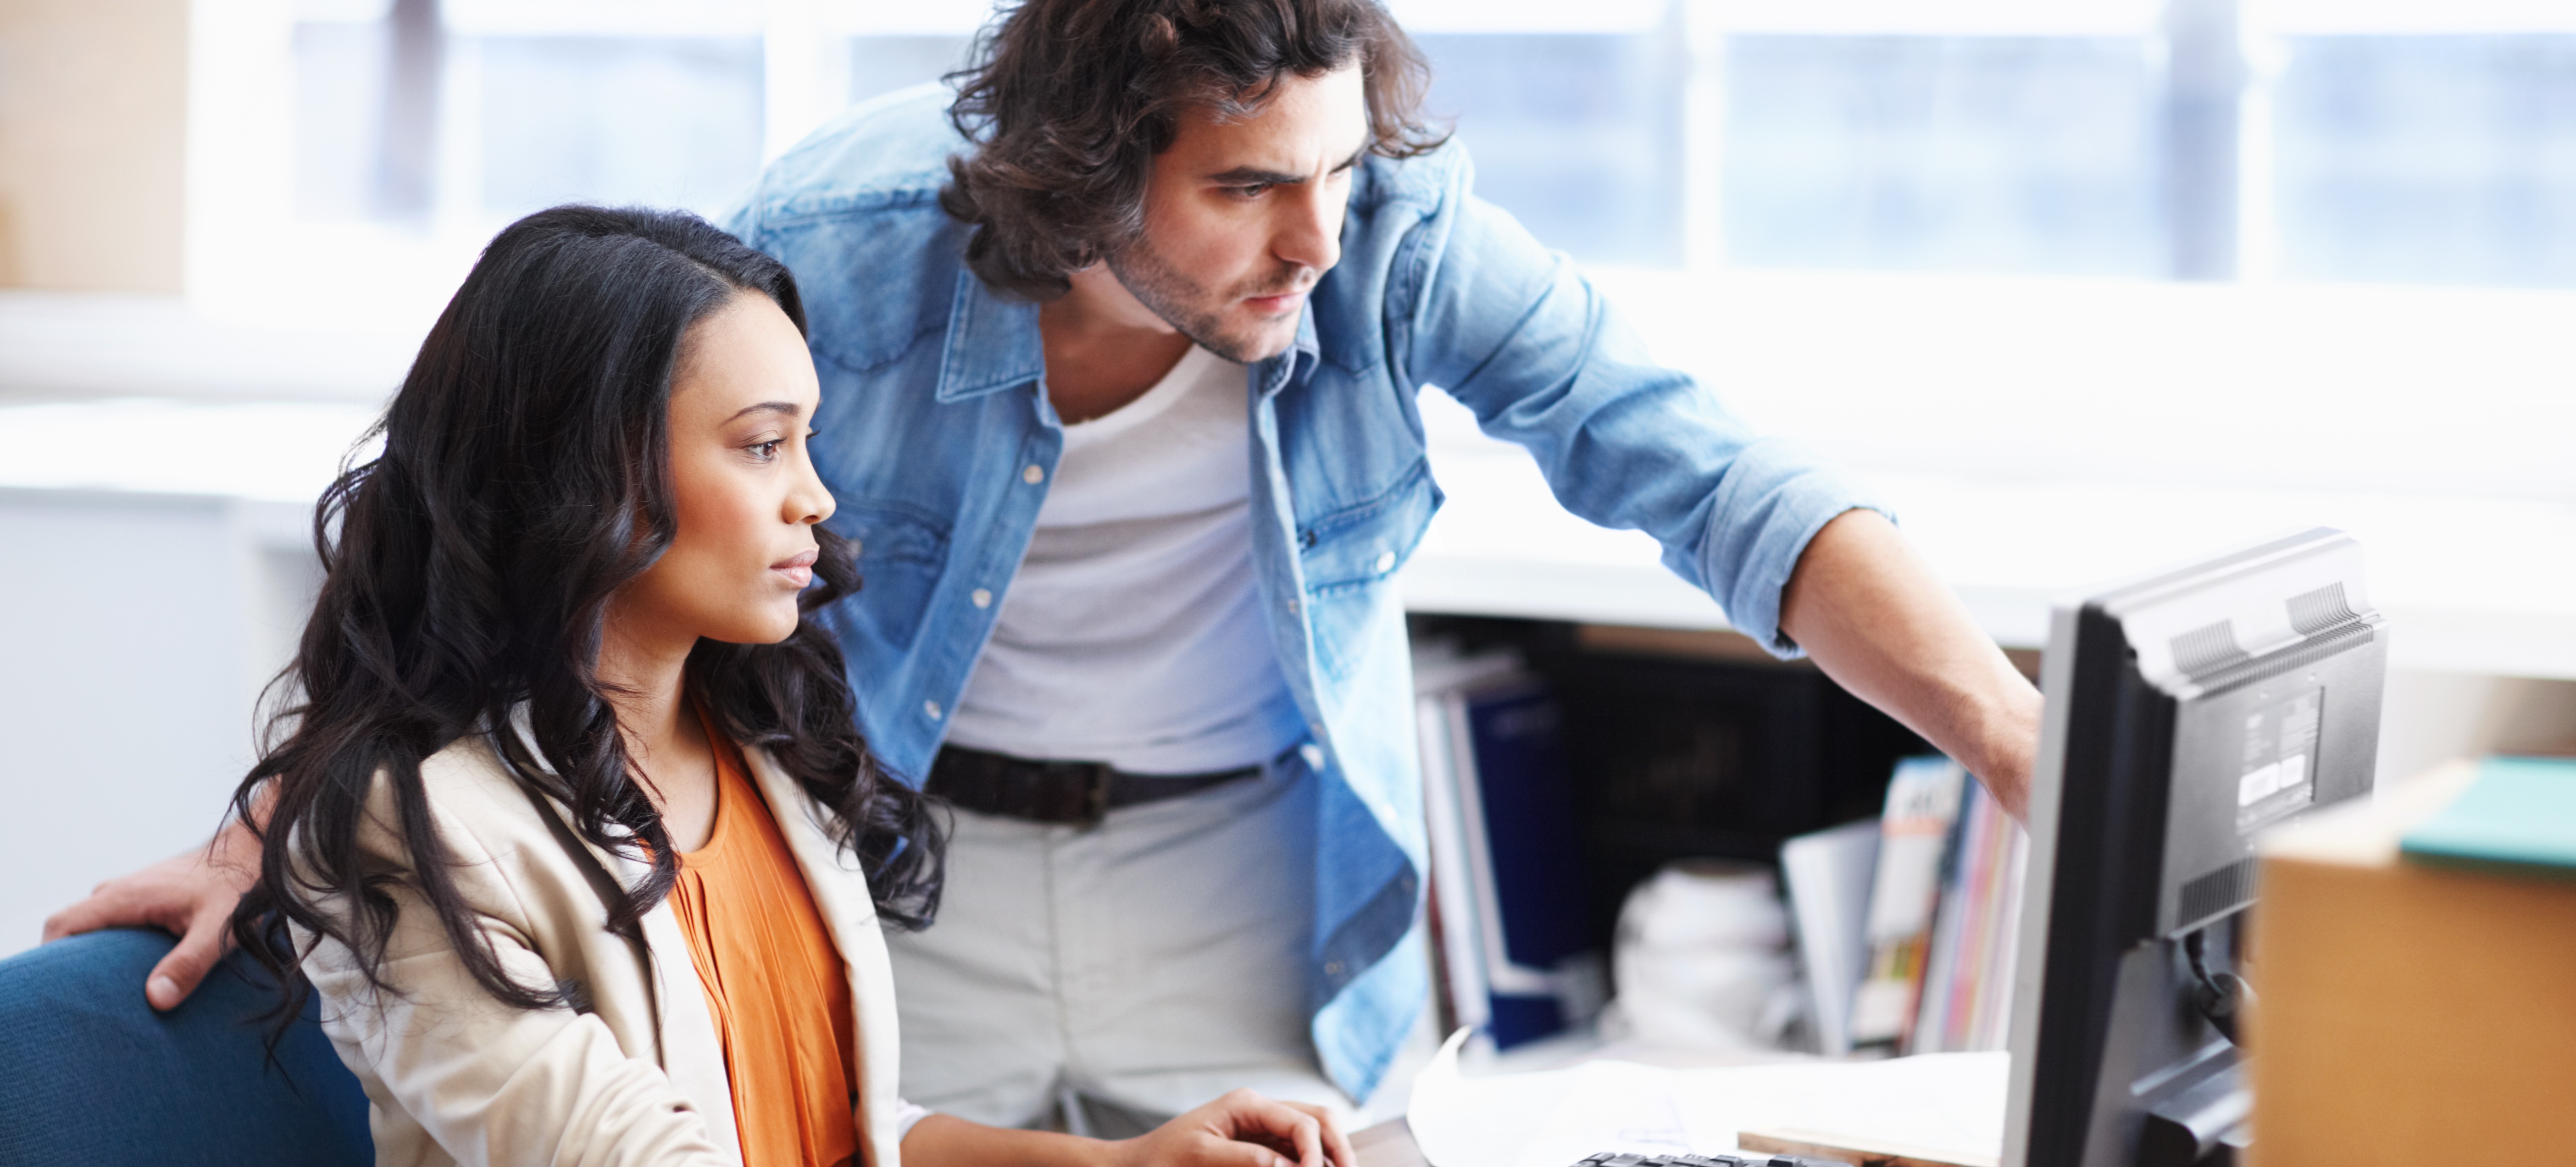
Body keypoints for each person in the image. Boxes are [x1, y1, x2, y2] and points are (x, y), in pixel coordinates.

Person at [49, 0, 2043, 1134]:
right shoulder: (837, 240)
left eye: (1340, 171)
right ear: (1095, 170)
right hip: (912, 863)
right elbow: (486, 466)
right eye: (1248, 183)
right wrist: (286, 821)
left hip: (1245, 871)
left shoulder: (1391, 240)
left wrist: (2027, 746)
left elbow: (1706, 474)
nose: (1318, 241)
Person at [216, 202, 1350, 1167]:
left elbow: (840, 1127)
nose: (817, 498)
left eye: (809, 443)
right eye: (762, 446)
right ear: (587, 469)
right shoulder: (419, 823)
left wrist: (1127, 1161)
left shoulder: (761, 741)